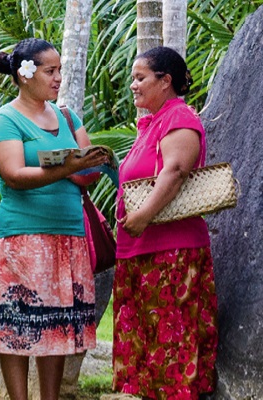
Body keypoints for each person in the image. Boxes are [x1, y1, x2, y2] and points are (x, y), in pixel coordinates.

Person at [0, 38, 108, 400]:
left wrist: (89, 165)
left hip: (68, 235)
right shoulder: (5, 119)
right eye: (50, 71)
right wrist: (67, 166)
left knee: (57, 327)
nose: (58, 78)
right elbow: (14, 174)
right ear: (24, 74)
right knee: (16, 325)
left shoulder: (67, 116)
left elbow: (85, 171)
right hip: (23, 237)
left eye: (60, 70)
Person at [112, 45, 217, 400]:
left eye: (140, 78)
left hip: (171, 250)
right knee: (148, 341)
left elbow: (174, 171)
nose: (134, 86)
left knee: (172, 342)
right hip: (141, 247)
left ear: (165, 81)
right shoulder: (152, 123)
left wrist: (141, 216)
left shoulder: (180, 117)